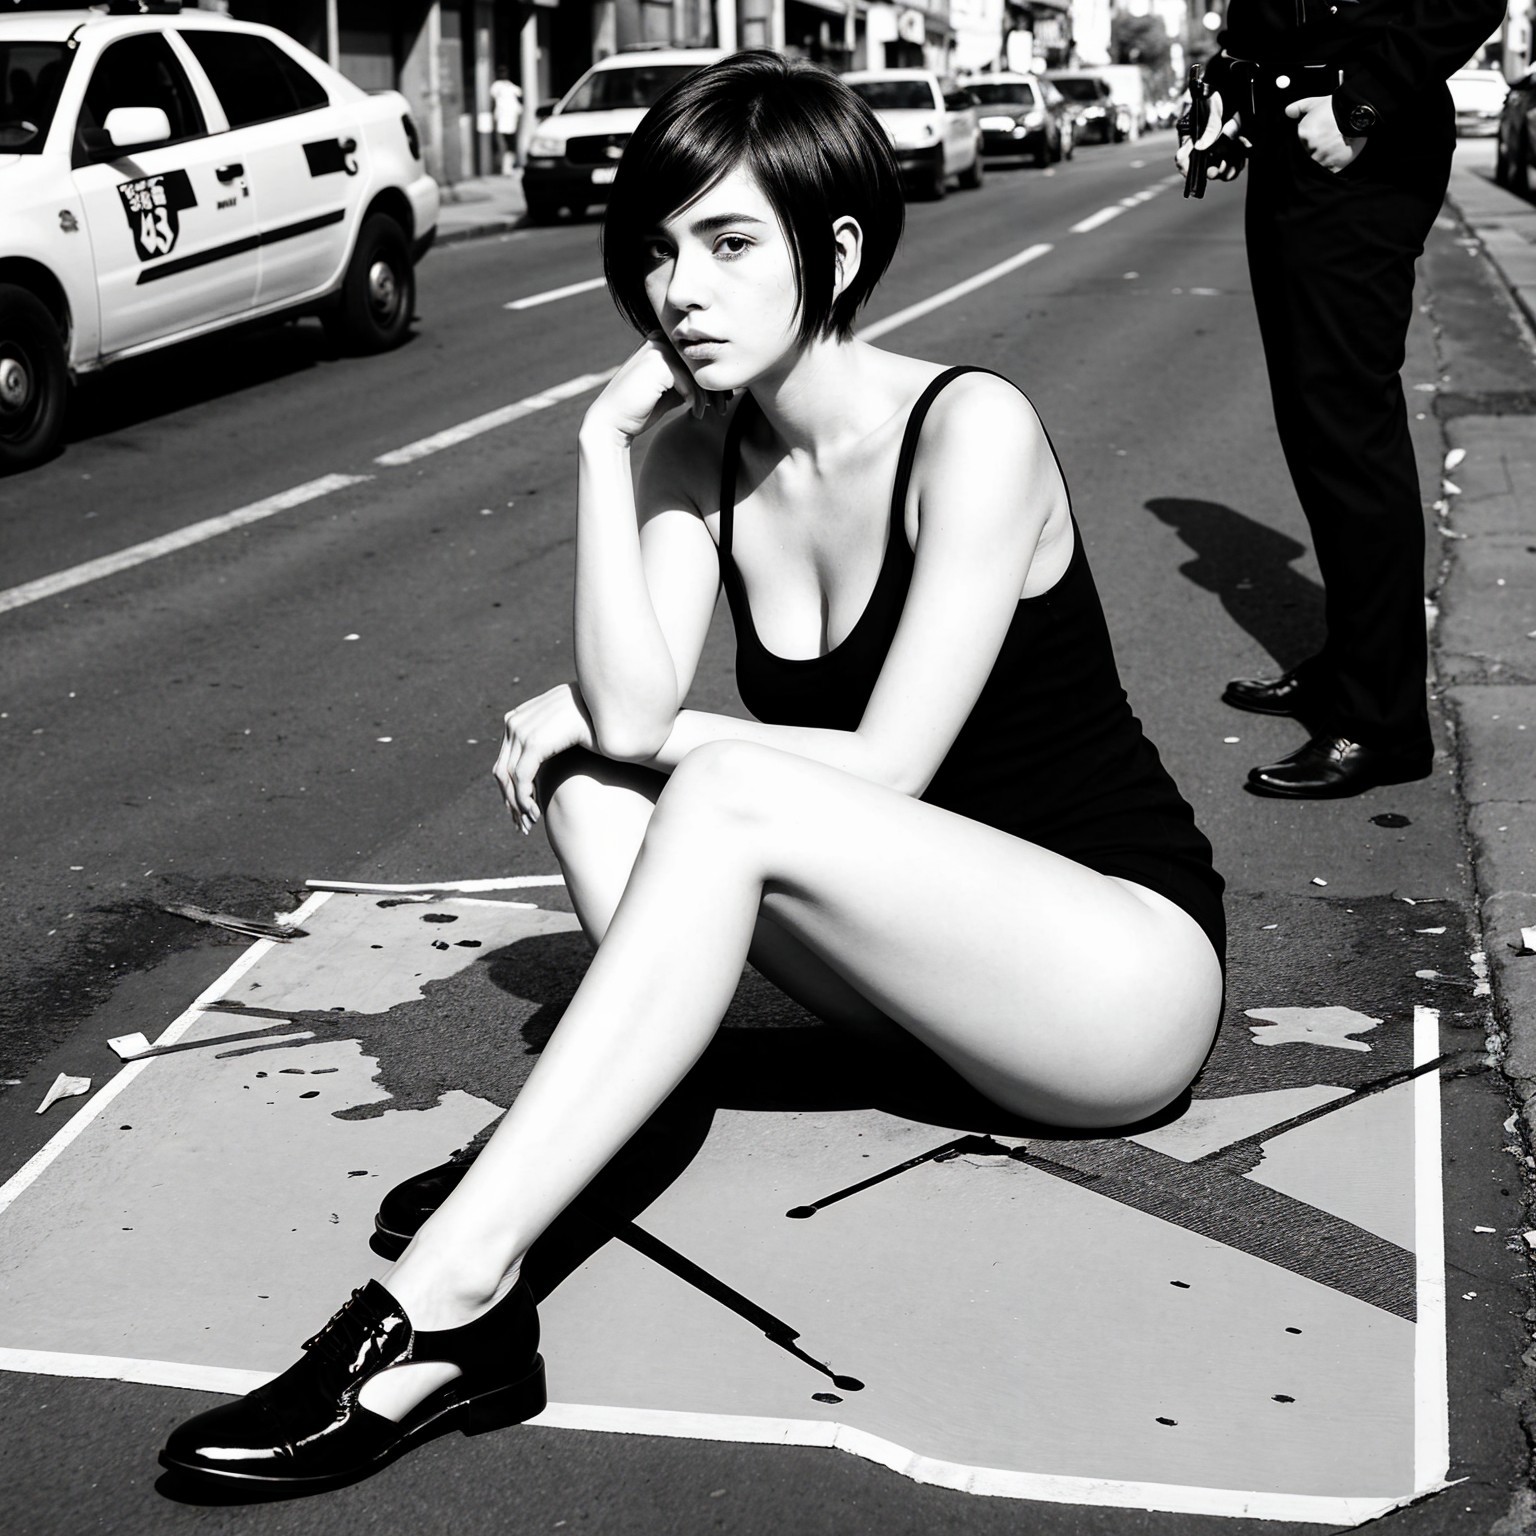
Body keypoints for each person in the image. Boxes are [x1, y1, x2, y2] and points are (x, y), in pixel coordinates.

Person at [160, 52, 1226, 1490]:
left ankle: (448, 1309)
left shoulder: (973, 430)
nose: (681, 290)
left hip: (1109, 983)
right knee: (591, 775)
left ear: (835, 250)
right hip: (914, 999)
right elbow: (626, 703)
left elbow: (884, 767)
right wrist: (606, 446)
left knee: (683, 775)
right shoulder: (695, 455)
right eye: (658, 251)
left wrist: (675, 736)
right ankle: (624, 1105)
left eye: (730, 245)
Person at [1178, 0, 1506, 798]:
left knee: (1347, 428)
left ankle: (1382, 723)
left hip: (1360, 149)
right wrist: (1228, 88)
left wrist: (1360, 103)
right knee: (1312, 423)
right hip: (1295, 142)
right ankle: (1352, 669)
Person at [490, 65, 522, 175]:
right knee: (501, 145)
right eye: (501, 72)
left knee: (510, 145)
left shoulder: (512, 87)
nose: (503, 74)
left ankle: (508, 167)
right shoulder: (496, 87)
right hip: (501, 121)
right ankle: (503, 167)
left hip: (511, 121)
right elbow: (493, 103)